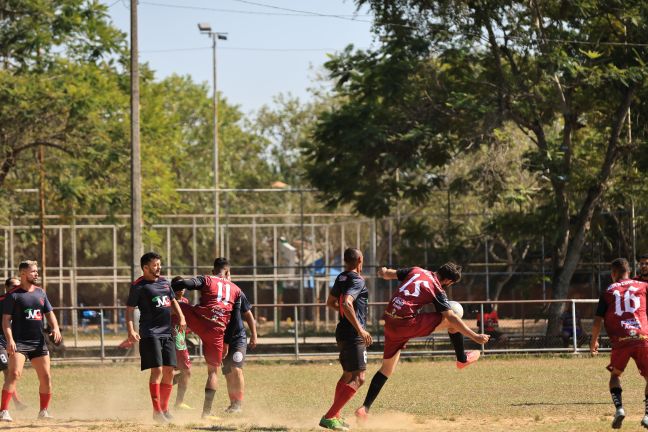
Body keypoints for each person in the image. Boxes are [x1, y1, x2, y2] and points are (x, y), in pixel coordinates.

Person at [355, 263, 490, 422]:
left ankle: (365, 408)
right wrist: (475, 336)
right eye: (451, 283)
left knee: (387, 369)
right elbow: (451, 318)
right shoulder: (437, 288)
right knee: (453, 317)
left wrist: (382, 272)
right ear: (447, 280)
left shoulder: (416, 271)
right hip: (406, 323)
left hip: (390, 322)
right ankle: (462, 359)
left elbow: (389, 274)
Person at [171, 257, 242, 419]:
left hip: (199, 318)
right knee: (213, 373)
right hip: (217, 330)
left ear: (213, 271)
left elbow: (186, 284)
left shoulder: (207, 279)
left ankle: (151, 328)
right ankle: (206, 413)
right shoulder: (236, 290)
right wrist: (226, 343)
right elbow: (235, 320)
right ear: (228, 272)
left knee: (173, 305)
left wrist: (165, 288)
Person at [127, 252, 186, 423]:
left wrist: (181, 317)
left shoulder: (165, 283)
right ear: (145, 268)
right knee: (158, 370)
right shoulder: (138, 286)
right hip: (150, 333)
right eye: (155, 265)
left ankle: (165, 409)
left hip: (167, 332)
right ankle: (157, 411)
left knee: (169, 370)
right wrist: (131, 330)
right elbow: (130, 309)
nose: (159, 267)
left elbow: (173, 300)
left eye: (159, 264)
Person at [1, 261, 62, 422]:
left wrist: (55, 327)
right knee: (14, 374)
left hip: (38, 342)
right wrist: (10, 340)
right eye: (33, 271)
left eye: (36, 271)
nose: (36, 274)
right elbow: (6, 321)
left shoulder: (41, 293)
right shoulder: (13, 295)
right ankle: (4, 411)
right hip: (19, 343)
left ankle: (43, 411)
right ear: (23, 274)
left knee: (46, 377)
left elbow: (49, 313)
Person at [591, 258, 648, 429]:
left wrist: (593, 341)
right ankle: (647, 415)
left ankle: (620, 409)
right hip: (642, 337)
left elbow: (597, 320)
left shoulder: (607, 291)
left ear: (613, 274)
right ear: (629, 271)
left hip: (621, 340)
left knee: (615, 376)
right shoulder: (643, 286)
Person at [319, 248, 370, 431]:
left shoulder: (341, 277)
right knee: (359, 377)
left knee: (348, 374)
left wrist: (347, 316)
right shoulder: (357, 280)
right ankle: (329, 416)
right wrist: (360, 329)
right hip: (353, 334)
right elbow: (347, 302)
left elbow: (331, 302)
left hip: (342, 331)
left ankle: (336, 416)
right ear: (360, 260)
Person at [222, 289, 257, 414]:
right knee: (228, 373)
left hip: (238, 339)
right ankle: (233, 404)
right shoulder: (214, 292)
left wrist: (254, 334)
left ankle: (238, 404)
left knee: (236, 369)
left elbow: (248, 314)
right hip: (221, 339)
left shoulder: (237, 292)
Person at [0, 278, 26, 412]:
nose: (18, 288)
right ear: (7, 288)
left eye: (19, 285)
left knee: (9, 373)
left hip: (10, 342)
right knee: (8, 371)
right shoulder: (2, 301)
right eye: (15, 286)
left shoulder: (19, 302)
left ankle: (16, 403)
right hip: (0, 342)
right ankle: (14, 404)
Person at [170, 278, 192, 410]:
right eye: (178, 286)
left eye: (183, 286)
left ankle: (164, 388)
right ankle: (178, 403)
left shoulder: (185, 301)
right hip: (174, 338)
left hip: (181, 339)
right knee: (186, 371)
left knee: (183, 371)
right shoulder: (170, 302)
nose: (182, 289)